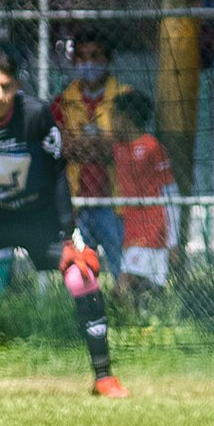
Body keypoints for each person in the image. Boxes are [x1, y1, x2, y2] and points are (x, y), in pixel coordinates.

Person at [0, 49, 128, 399]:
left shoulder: (36, 114)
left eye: (6, 86)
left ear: (16, 86)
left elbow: (59, 172)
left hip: (36, 217)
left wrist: (68, 232)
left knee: (81, 274)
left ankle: (104, 377)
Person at [52, 31, 128, 275]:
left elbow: (121, 145)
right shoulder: (62, 101)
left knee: (122, 267)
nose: (88, 63)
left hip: (115, 202)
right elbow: (62, 147)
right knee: (78, 271)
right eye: (82, 57)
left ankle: (126, 311)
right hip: (77, 202)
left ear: (108, 59)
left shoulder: (125, 97)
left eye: (95, 56)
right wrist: (101, 143)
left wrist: (80, 144)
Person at [109, 89, 180, 306]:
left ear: (126, 117)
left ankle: (121, 326)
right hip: (131, 229)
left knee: (122, 286)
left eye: (114, 115)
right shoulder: (118, 149)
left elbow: (171, 194)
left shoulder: (153, 148)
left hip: (152, 228)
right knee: (143, 288)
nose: (110, 121)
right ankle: (146, 325)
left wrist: (173, 241)